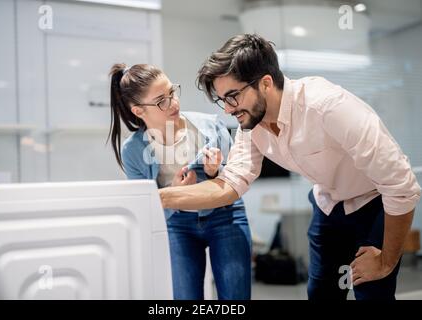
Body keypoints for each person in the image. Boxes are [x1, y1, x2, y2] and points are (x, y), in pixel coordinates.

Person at [158, 34, 421, 300]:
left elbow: (402, 186)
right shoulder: (251, 126)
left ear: (266, 83)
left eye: (233, 96)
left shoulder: (327, 107)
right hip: (328, 202)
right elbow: (231, 184)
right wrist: (161, 198)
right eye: (222, 100)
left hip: (374, 201)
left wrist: (387, 260)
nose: (227, 109)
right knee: (321, 291)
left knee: (371, 291)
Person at [108, 63, 252, 300]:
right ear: (138, 111)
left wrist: (214, 171)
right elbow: (145, 209)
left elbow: (234, 178)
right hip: (178, 225)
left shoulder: (210, 125)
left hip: (225, 216)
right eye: (161, 100)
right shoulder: (133, 150)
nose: (173, 103)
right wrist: (174, 193)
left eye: (172, 92)